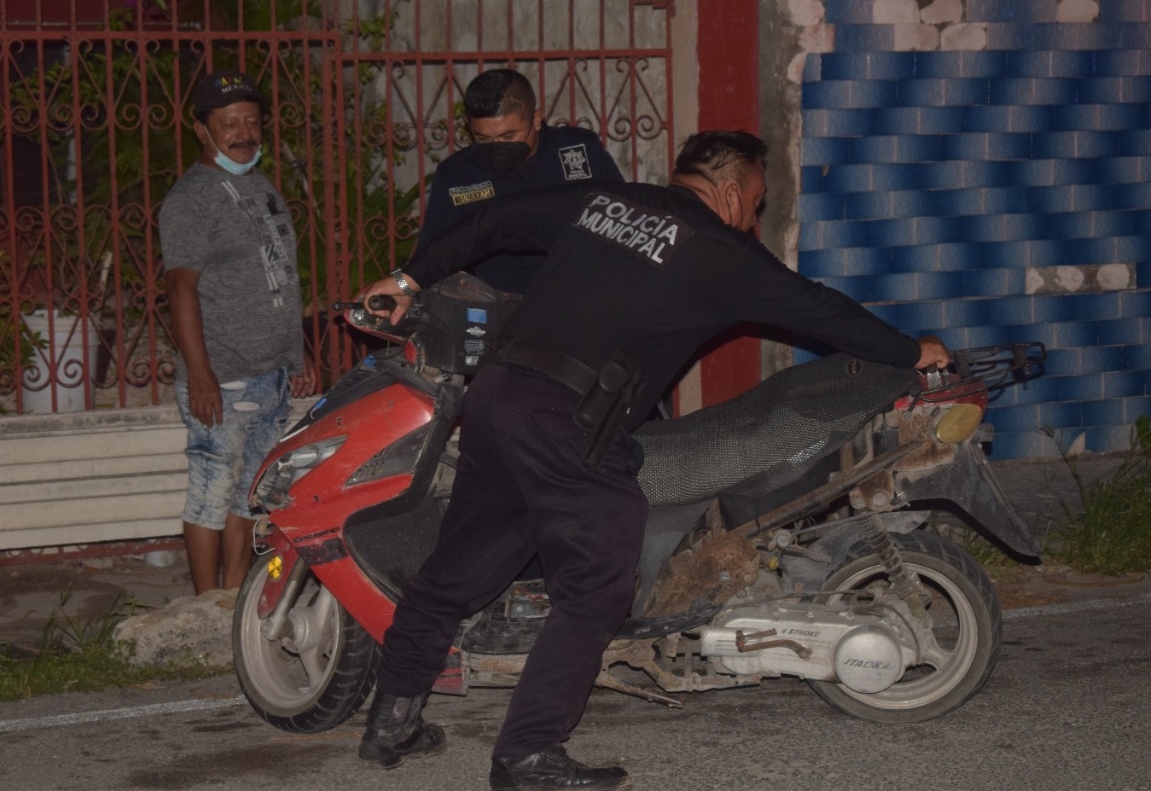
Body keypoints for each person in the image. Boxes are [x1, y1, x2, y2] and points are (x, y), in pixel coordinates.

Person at [356, 131, 951, 789]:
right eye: (754, 204)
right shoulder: (721, 251)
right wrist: (906, 350)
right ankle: (526, 753)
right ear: (729, 192)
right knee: (598, 581)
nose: (752, 219)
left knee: (455, 571)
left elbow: (493, 219)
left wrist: (408, 276)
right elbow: (820, 308)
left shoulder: (603, 200)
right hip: (569, 418)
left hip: (497, 398)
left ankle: (392, 721)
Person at [160, 70, 318, 595]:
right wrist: (200, 375)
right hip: (223, 379)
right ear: (202, 130)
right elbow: (181, 290)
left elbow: (281, 277)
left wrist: (299, 355)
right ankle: (205, 605)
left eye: (252, 121)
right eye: (230, 124)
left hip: (270, 376)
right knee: (210, 493)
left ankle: (234, 599)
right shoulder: (192, 199)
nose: (244, 133)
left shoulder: (260, 184)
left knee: (249, 496)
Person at [415, 67, 624, 294]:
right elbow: (427, 257)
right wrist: (401, 290)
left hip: (581, 297)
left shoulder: (579, 151)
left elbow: (627, 218)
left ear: (536, 119)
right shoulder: (458, 174)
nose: (498, 147)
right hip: (502, 307)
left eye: (508, 136)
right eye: (483, 138)